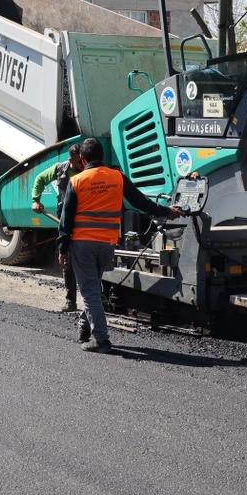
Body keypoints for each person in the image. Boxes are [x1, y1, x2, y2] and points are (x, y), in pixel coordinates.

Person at [59, 137, 179, 353]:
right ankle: (85, 329)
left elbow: (66, 219)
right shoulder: (117, 177)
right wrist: (166, 210)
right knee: (93, 288)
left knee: (89, 292)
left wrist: (62, 249)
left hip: (82, 244)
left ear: (83, 159)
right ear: (102, 157)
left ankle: (101, 339)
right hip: (107, 243)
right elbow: (140, 202)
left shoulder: (76, 181)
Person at [30, 143, 85, 312]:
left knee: (86, 262)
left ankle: (95, 301)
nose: (72, 163)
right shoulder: (60, 169)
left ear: (83, 159)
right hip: (65, 221)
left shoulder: (89, 172)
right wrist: (35, 199)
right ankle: (71, 301)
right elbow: (40, 179)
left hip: (85, 221)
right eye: (71, 159)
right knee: (66, 258)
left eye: (76, 161)